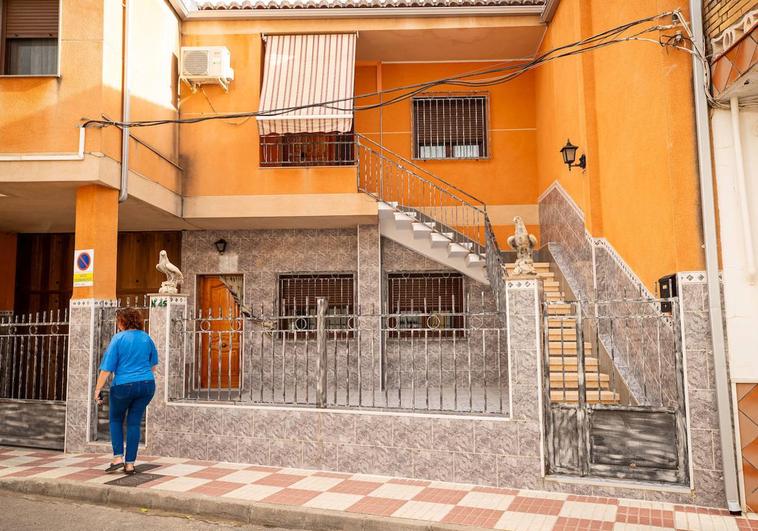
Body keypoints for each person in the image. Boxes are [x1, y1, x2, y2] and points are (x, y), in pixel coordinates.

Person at [94, 307, 157, 475]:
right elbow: (154, 365)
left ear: (123, 321)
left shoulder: (118, 338)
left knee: (115, 419)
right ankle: (130, 464)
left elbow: (106, 369)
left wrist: (97, 389)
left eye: (118, 321)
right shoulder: (146, 338)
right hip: (147, 385)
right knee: (134, 422)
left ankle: (117, 458)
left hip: (123, 386)